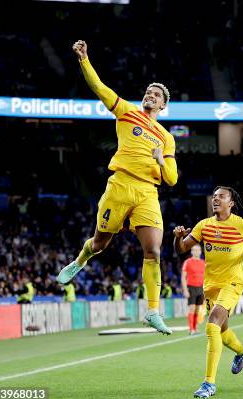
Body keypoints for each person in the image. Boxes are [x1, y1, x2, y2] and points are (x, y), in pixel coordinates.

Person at [57, 40, 178, 335]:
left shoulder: (166, 138)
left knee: (154, 250)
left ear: (163, 105)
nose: (150, 95)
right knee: (100, 243)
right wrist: (84, 59)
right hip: (120, 184)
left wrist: (160, 160)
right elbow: (99, 87)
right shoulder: (127, 112)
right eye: (148, 92)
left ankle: (152, 311)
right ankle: (80, 261)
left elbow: (172, 178)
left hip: (147, 191)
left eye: (156, 95)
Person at [174, 186, 243, 399]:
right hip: (210, 286)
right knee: (222, 332)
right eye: (214, 196)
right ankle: (241, 351)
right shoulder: (204, 225)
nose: (216, 199)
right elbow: (181, 249)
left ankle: (209, 383)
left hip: (232, 284)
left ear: (231, 203)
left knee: (212, 324)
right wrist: (178, 237)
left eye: (221, 196)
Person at [181, 244, 205, 335]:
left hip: (201, 288)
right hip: (191, 287)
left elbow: (205, 277)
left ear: (200, 252)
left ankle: (195, 328)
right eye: (194, 250)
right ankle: (191, 329)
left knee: (198, 310)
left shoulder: (203, 263)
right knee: (192, 308)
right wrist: (185, 290)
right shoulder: (187, 262)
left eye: (198, 250)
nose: (196, 252)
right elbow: (183, 277)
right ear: (191, 252)